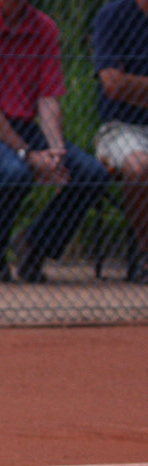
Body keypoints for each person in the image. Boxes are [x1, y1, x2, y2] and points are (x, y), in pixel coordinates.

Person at [0, 0, 108, 283]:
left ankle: (34, 243)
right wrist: (27, 154)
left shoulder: (44, 28)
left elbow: (48, 97)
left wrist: (55, 149)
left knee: (90, 174)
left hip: (23, 126)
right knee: (14, 172)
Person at [93, 0, 148, 283]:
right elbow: (113, 85)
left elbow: (124, 84)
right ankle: (145, 252)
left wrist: (134, 85)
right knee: (139, 167)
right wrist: (125, 86)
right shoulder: (114, 14)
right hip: (122, 126)